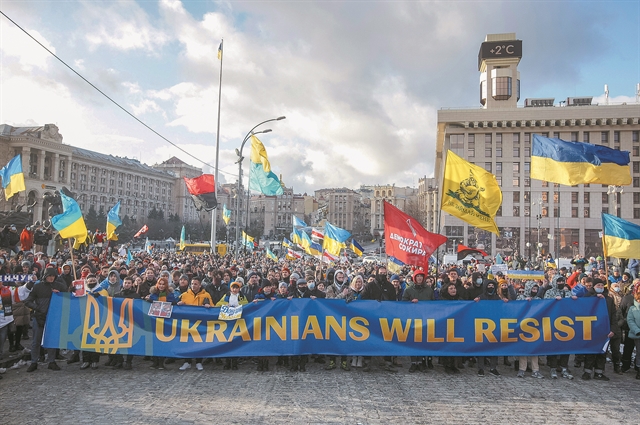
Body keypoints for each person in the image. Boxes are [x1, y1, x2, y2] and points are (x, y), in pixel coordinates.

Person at [24, 267, 67, 372]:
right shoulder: (38, 286)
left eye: (53, 276)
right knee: (36, 341)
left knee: (51, 340)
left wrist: (60, 295)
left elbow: (68, 297)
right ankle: (34, 362)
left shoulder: (59, 286)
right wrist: (38, 308)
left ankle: (51, 361)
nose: (51, 278)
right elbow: (28, 301)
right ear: (45, 276)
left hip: (53, 317)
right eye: (49, 276)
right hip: (39, 317)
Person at [359, 264, 397, 373]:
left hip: (386, 317)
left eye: (384, 274)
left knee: (388, 340)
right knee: (369, 340)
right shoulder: (369, 286)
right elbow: (363, 299)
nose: (383, 275)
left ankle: (388, 362)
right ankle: (367, 362)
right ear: (377, 274)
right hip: (371, 317)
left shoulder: (390, 286)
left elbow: (394, 301)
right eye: (381, 274)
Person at [581, 279, 617, 381]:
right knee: (590, 351)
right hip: (591, 329)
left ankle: (599, 372)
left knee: (602, 352)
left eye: (602, 285)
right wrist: (594, 298)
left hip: (604, 329)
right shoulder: (588, 296)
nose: (600, 287)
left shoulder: (609, 299)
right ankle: (587, 372)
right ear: (594, 286)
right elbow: (582, 306)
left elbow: (613, 315)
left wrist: (613, 329)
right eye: (598, 285)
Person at [177, 277, 212, 371]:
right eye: (192, 283)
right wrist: (179, 304)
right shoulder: (184, 295)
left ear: (200, 285)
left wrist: (209, 306)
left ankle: (198, 361)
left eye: (196, 284)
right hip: (187, 322)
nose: (193, 285)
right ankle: (187, 361)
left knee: (199, 342)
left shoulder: (206, 295)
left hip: (200, 323)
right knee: (187, 342)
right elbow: (176, 307)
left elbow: (213, 307)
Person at [402, 270, 435, 372]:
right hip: (412, 319)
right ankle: (413, 362)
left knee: (422, 341)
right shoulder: (408, 290)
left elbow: (434, 304)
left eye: (421, 276)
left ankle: (420, 362)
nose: (419, 278)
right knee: (413, 341)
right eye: (418, 276)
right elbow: (403, 303)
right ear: (414, 278)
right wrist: (410, 302)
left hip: (425, 319)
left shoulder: (429, 290)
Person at [474, 280, 504, 377]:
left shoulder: (497, 298)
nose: (490, 287)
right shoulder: (481, 297)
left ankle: (493, 368)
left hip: (494, 325)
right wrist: (475, 302)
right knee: (481, 348)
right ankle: (481, 368)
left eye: (492, 285)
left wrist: (505, 302)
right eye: (489, 285)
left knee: (494, 348)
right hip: (481, 325)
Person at [146, 277, 177, 370]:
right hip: (154, 321)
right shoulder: (153, 295)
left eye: (163, 284)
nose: (161, 286)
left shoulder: (170, 295)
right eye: (160, 284)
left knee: (163, 342)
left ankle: (161, 362)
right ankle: (155, 362)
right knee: (154, 342)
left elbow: (173, 305)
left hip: (165, 322)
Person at [216, 280, 247, 371]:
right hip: (227, 322)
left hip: (238, 322)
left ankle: (234, 362)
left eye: (236, 288)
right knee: (227, 341)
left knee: (236, 342)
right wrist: (226, 304)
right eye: (233, 288)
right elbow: (218, 304)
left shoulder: (241, 296)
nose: (235, 289)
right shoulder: (226, 296)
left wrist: (238, 305)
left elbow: (246, 304)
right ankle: (227, 361)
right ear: (230, 288)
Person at [625, 285, 640, 379]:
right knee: (639, 352)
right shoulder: (633, 309)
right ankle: (639, 369)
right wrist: (637, 330)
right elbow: (630, 320)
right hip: (638, 334)